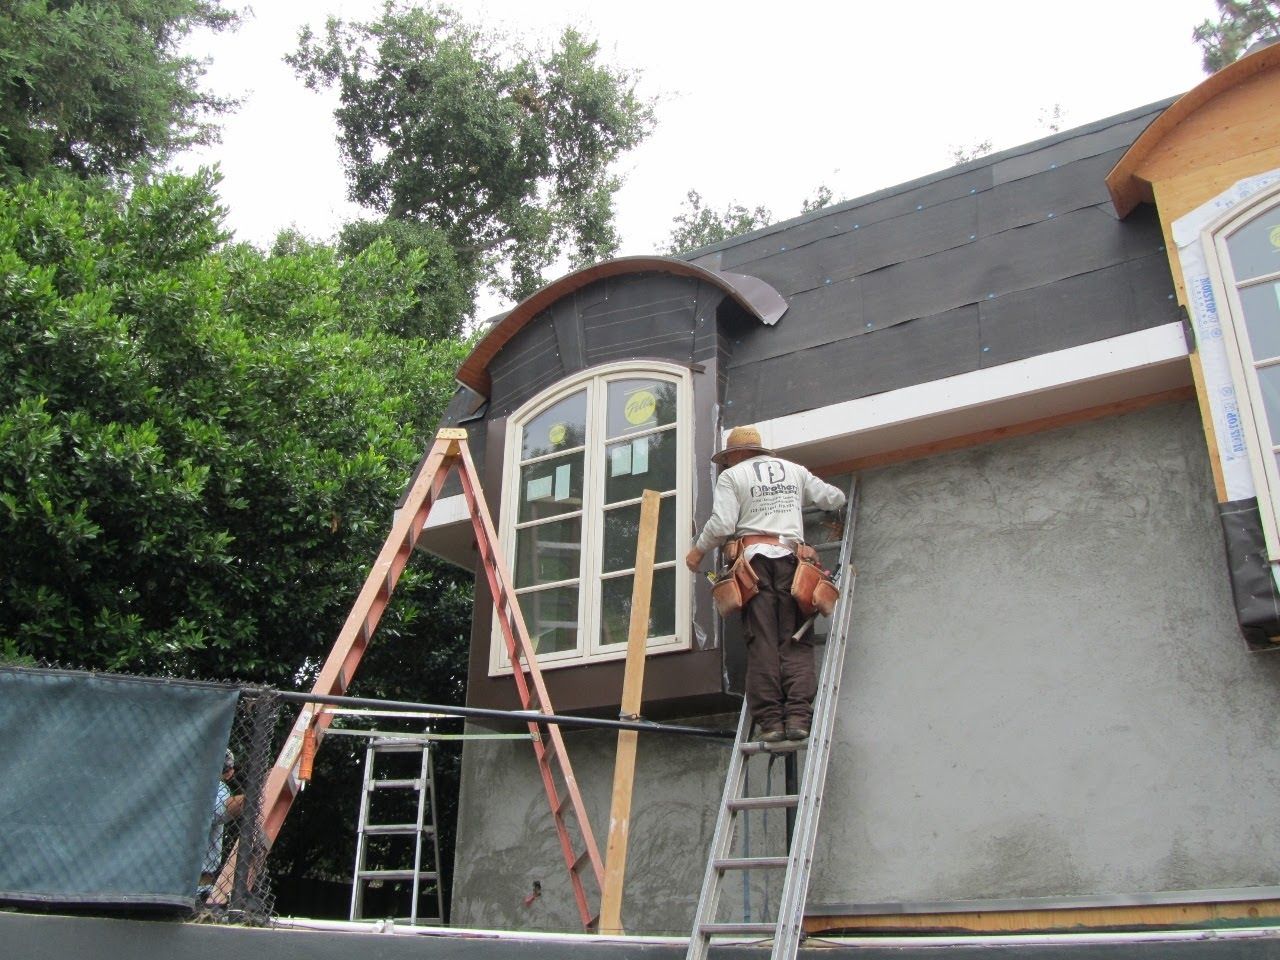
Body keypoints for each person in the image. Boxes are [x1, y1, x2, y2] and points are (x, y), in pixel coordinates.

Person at [685, 426, 846, 743]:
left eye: (728, 458)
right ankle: (799, 716)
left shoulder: (732, 477)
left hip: (754, 566)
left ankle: (771, 721)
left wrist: (698, 551)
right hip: (794, 563)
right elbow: (834, 497)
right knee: (795, 639)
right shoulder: (794, 470)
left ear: (736, 454)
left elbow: (722, 525)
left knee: (762, 640)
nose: (727, 464)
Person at [199, 748, 244, 899]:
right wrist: (259, 792)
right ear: (229, 773)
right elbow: (219, 811)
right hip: (197, 882)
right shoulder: (214, 786)